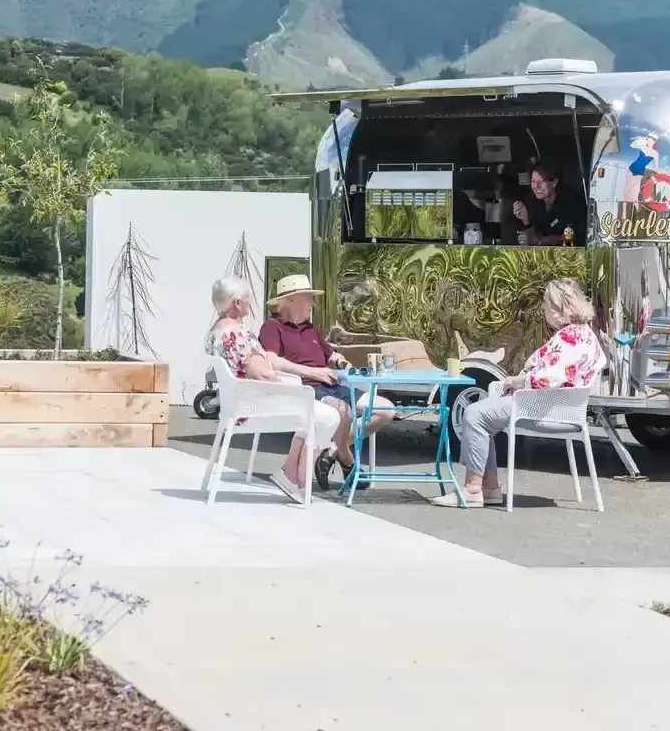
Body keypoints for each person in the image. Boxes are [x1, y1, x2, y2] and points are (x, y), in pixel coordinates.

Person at [431, 278, 607, 508]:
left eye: (545, 303)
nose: (543, 308)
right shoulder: (585, 334)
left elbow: (545, 379)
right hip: (559, 407)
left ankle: (473, 489)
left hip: (543, 408)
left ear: (559, 307)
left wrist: (517, 380)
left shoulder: (570, 338)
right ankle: (490, 489)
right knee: (484, 415)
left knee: (475, 413)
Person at [205, 276, 341, 504]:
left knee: (315, 414)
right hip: (256, 404)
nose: (250, 302)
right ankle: (296, 478)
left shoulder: (215, 332)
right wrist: (290, 385)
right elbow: (261, 373)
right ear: (237, 303)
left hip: (238, 403)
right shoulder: (239, 334)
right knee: (329, 417)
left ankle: (290, 474)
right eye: (247, 297)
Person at [257, 274, 394, 492]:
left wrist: (339, 361)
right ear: (290, 300)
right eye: (308, 297)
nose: (313, 303)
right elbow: (271, 361)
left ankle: (331, 451)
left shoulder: (310, 328)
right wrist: (312, 372)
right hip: (304, 389)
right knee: (345, 412)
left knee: (385, 410)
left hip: (331, 384)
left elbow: (329, 355)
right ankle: (347, 459)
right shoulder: (272, 327)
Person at [513, 164, 587, 246]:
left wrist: (539, 241)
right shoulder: (535, 202)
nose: (536, 186)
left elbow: (569, 238)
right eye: (533, 181)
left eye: (542, 181)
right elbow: (538, 233)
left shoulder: (571, 201)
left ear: (554, 182)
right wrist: (526, 219)